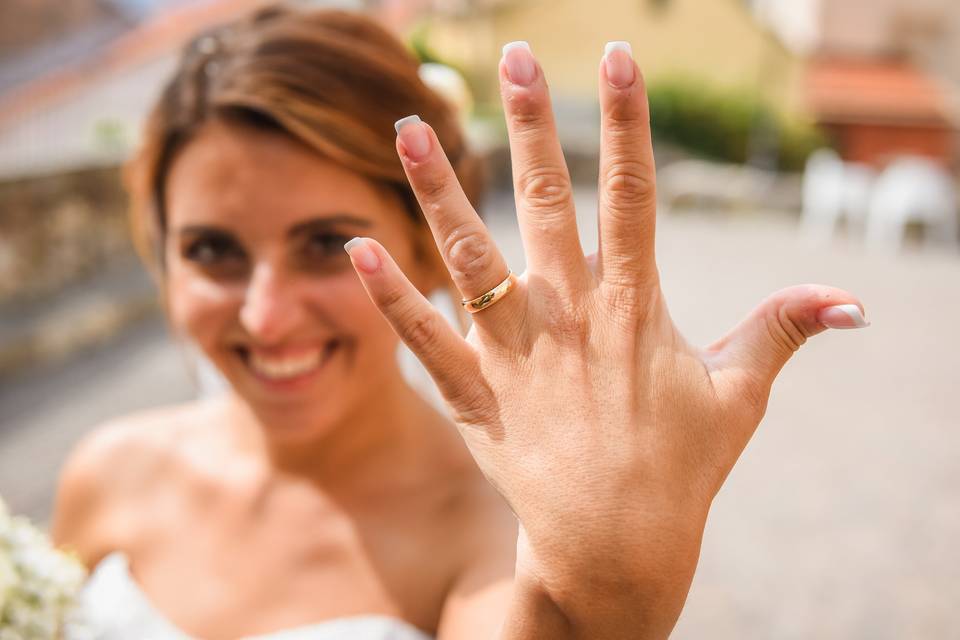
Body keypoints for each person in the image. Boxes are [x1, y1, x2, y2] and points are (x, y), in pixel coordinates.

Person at [53, 6, 869, 640]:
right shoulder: (106, 470)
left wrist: (602, 597)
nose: (266, 316)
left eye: (328, 243)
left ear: (428, 243)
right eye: (211, 250)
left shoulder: (500, 540)